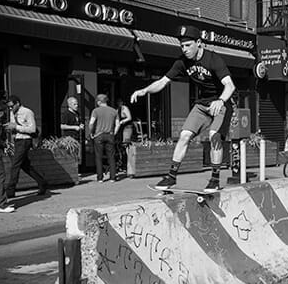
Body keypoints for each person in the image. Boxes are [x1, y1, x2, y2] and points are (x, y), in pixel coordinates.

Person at [130, 25, 235, 191]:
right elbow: (163, 81)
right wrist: (144, 90)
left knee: (214, 136)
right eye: (182, 46)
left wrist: (221, 100)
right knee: (184, 135)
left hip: (222, 103)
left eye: (188, 45)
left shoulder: (213, 59)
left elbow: (230, 85)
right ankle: (171, 177)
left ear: (198, 43)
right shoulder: (182, 62)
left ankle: (215, 179)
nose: (184, 49)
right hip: (202, 104)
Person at [4, 95, 48, 198]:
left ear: (17, 103)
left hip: (25, 140)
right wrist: (10, 129)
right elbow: (14, 127)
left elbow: (32, 129)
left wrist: (16, 127)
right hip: (17, 140)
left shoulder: (27, 112)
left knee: (15, 164)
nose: (10, 109)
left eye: (12, 106)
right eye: (9, 107)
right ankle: (42, 182)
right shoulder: (12, 113)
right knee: (25, 166)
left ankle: (10, 190)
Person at [88, 93, 118, 182]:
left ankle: (100, 178)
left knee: (98, 157)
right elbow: (118, 124)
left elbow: (91, 123)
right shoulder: (114, 111)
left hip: (99, 135)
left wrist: (91, 133)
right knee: (111, 157)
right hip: (110, 135)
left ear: (99, 102)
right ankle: (113, 177)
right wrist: (114, 133)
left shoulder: (95, 111)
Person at [115, 96, 136, 178]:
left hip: (127, 127)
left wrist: (122, 121)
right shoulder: (117, 109)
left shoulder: (124, 108)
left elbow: (129, 117)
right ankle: (123, 164)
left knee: (126, 144)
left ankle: (128, 166)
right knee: (122, 146)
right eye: (118, 102)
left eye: (120, 102)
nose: (119, 103)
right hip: (122, 128)